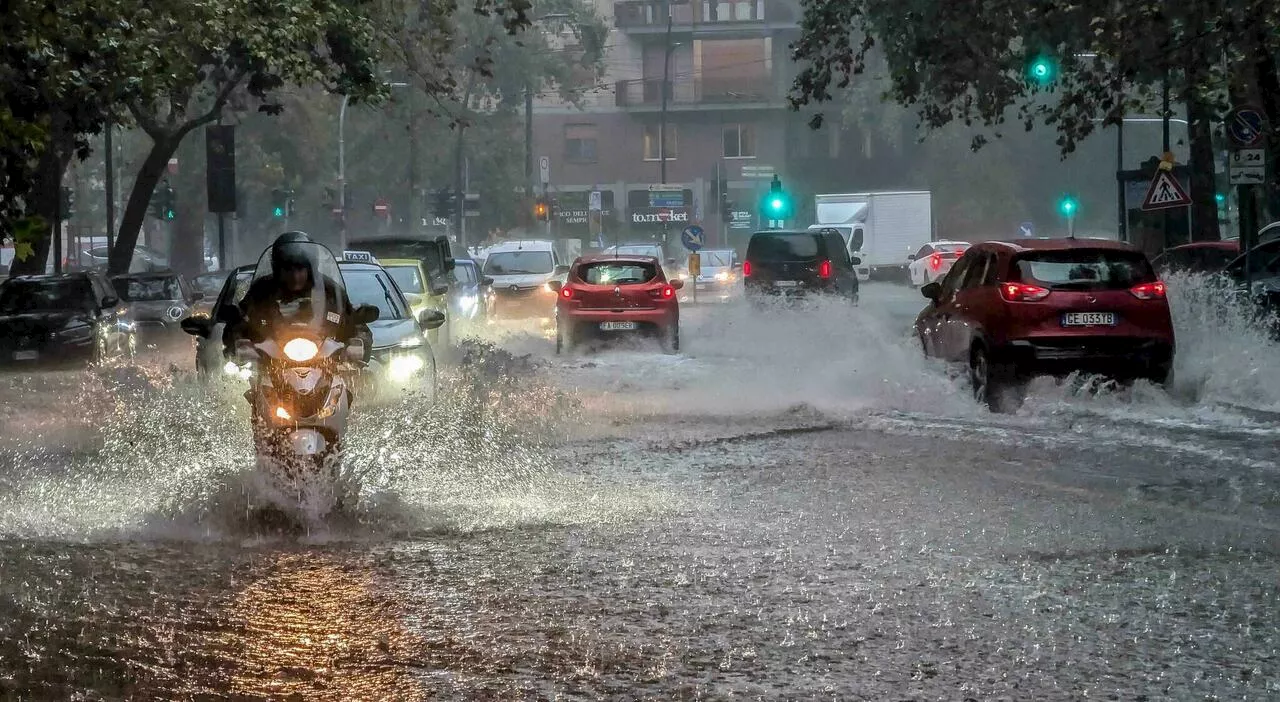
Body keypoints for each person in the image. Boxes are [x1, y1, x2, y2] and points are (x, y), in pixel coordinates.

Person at [223, 232, 371, 358]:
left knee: (355, 382)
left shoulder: (330, 291)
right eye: (288, 270)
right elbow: (241, 321)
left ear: (310, 268)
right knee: (243, 384)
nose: (295, 276)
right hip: (271, 362)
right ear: (277, 269)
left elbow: (352, 321)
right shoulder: (261, 290)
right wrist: (241, 342)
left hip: (324, 363)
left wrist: (357, 342)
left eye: (300, 269)